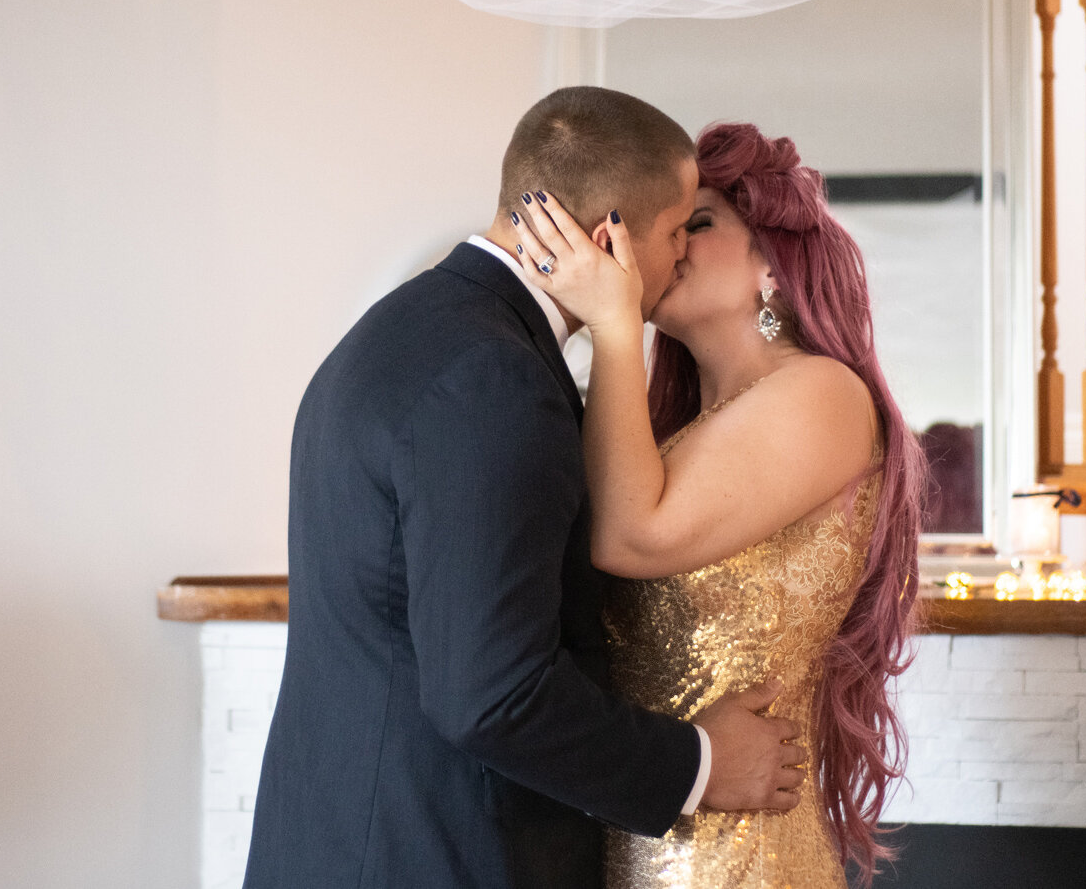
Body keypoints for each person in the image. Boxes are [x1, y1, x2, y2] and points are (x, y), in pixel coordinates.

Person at [244, 89, 808, 889]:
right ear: (612, 237)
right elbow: (491, 694)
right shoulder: (491, 378)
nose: (682, 253)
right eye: (679, 228)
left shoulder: (406, 330)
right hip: (433, 857)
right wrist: (701, 764)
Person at [510, 121, 922, 888]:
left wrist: (610, 322)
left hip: (737, 861)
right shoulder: (669, 434)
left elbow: (628, 536)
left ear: (773, 260)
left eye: (698, 223)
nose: (672, 245)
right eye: (668, 228)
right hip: (639, 835)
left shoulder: (822, 392)